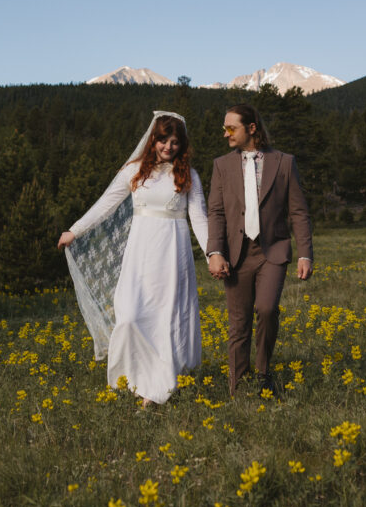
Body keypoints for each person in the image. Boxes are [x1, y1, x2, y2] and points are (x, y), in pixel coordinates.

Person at [57, 111, 208, 407]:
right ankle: (133, 376)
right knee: (129, 315)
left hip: (172, 255)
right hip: (140, 255)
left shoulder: (188, 175)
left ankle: (157, 388)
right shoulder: (134, 171)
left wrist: (212, 254)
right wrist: (74, 231)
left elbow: (199, 219)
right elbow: (105, 205)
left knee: (166, 319)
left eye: (174, 142)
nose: (167, 147)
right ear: (153, 140)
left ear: (182, 144)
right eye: (163, 140)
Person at [207, 104, 313, 397]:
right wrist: (215, 251)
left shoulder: (284, 162)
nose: (225, 133)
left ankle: (264, 373)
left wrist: (305, 253)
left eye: (231, 128)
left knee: (266, 310)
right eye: (224, 127)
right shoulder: (221, 165)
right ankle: (238, 387)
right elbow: (215, 212)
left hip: (273, 251)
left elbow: (299, 212)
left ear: (252, 128)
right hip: (235, 254)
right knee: (238, 324)